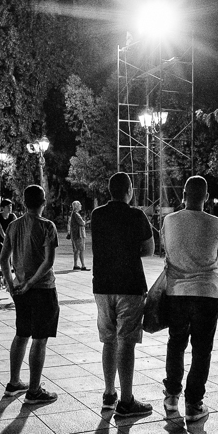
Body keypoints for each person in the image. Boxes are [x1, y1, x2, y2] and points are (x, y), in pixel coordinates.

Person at [160, 176, 218, 422]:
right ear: (207, 197)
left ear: (183, 194)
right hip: (207, 294)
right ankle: (194, 404)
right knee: (202, 349)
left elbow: (165, 249)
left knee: (176, 344)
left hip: (176, 293)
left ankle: (171, 397)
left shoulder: (169, 221)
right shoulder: (217, 224)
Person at [91, 172, 155, 418]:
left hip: (103, 285)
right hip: (130, 284)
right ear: (129, 190)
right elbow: (148, 250)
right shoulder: (137, 215)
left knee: (109, 340)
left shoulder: (97, 215)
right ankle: (127, 400)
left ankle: (109, 394)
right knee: (126, 342)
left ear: (109, 191)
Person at [0, 185, 59, 404]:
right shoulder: (47, 226)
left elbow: (3, 259)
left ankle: (14, 382)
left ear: (24, 203)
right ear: (44, 201)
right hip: (42, 289)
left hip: (20, 289)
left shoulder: (14, 226)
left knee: (22, 333)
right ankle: (34, 390)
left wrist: (11, 283)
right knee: (40, 339)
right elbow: (48, 262)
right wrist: (31, 283)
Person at [68, 201, 88, 271]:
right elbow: (82, 223)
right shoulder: (76, 214)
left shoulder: (73, 214)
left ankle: (75, 264)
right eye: (79, 204)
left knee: (76, 250)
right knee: (81, 250)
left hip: (75, 235)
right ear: (76, 206)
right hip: (79, 234)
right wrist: (85, 222)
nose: (81, 206)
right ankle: (83, 265)